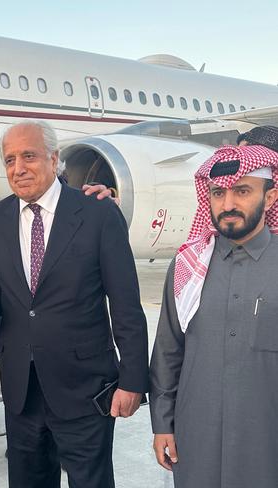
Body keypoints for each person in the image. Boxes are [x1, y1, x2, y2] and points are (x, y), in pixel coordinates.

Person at [0, 120, 149, 488]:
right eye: (11, 158)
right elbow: (0, 292)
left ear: (54, 158)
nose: (19, 168)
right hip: (22, 391)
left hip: (84, 389)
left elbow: (126, 303)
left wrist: (133, 382)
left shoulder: (97, 213)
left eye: (29, 156)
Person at [149, 144, 278, 488]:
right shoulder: (187, 267)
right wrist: (162, 424)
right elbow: (167, 352)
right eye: (218, 192)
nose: (228, 204)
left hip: (266, 446)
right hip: (196, 443)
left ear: (270, 197)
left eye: (242, 191)